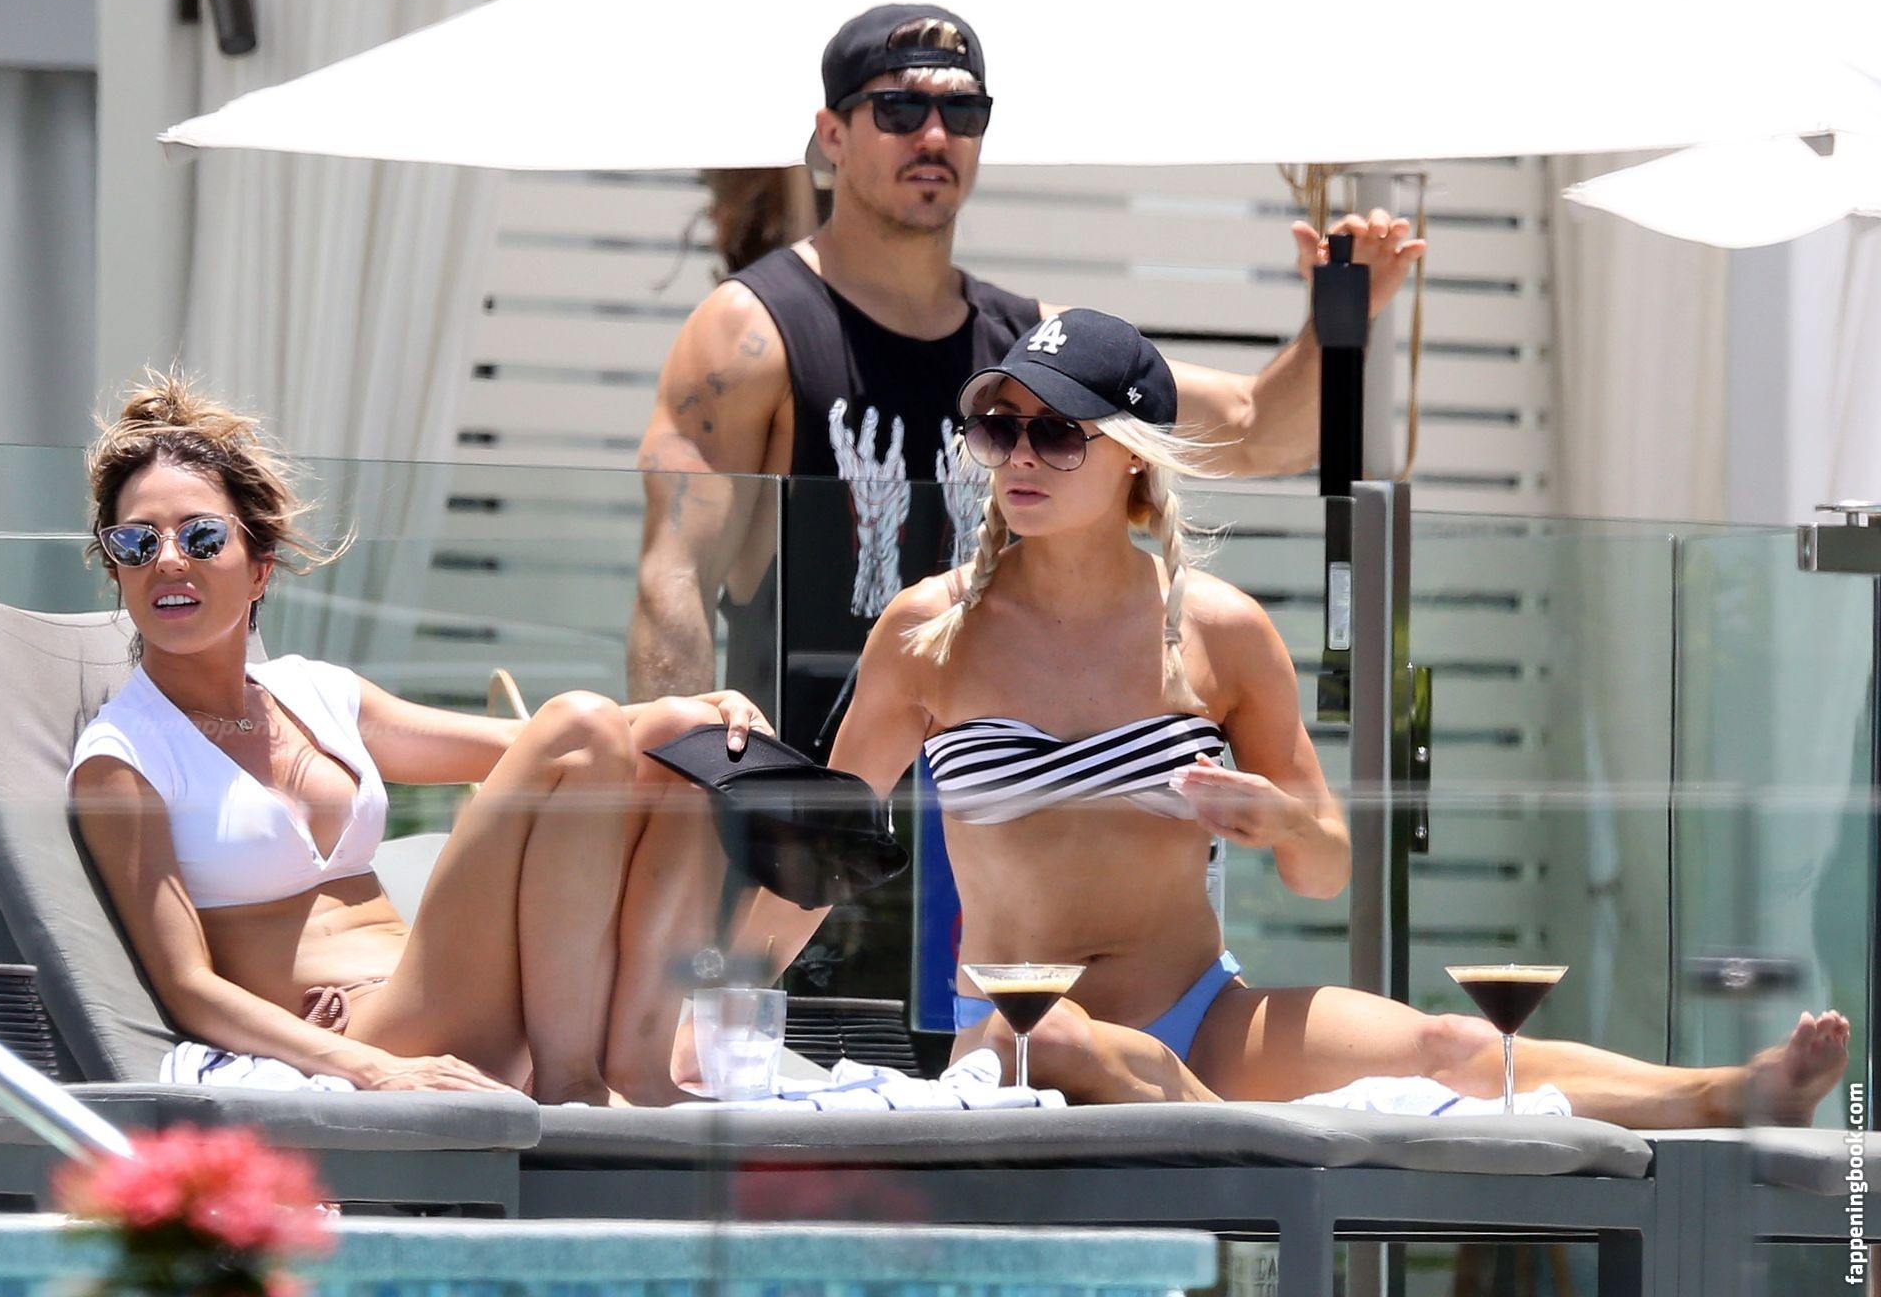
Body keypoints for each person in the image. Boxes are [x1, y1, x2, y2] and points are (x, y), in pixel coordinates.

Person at [788, 308, 1848, 1125]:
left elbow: (1326, 867)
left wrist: (1282, 821)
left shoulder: (1221, 631)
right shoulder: (930, 632)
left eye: (1058, 433)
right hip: (1021, 1030)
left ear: (1133, 455)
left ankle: (1725, 1093)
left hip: (1203, 1010)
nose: (1021, 456)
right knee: (1059, 1039)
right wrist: (718, 996)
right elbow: (810, 852)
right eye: (999, 427)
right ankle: (1233, 1133)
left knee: (1446, 1046)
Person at [628, 2, 1427, 745]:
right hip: (807, 807)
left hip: (993, 808)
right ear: (832, 134)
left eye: (963, 113)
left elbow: (1259, 434)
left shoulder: (1031, 347)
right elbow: (674, 580)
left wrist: (1337, 320)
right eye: (899, 110)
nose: (934, 135)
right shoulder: (754, 332)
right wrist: (688, 777)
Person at [68, 372, 761, 1106]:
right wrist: (363, 1066)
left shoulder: (316, 692)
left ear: (260, 568)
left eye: (201, 536)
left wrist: (703, 711)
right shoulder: (126, 757)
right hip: (374, 1032)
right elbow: (187, 985)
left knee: (681, 735)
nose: (168, 560)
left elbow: (557, 746)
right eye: (135, 542)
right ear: (116, 568)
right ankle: (571, 1089)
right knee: (584, 723)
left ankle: (636, 1068)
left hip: (461, 992)